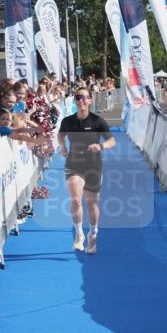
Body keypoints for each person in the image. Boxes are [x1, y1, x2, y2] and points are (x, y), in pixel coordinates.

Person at [57, 88, 116, 254]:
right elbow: (61, 135)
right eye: (78, 97)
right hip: (74, 163)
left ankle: (93, 234)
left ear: (90, 100)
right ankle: (79, 234)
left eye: (84, 98)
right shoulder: (68, 121)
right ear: (75, 101)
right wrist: (62, 146)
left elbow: (112, 140)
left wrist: (100, 146)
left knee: (91, 203)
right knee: (76, 200)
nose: (81, 101)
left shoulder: (97, 121)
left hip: (93, 165)